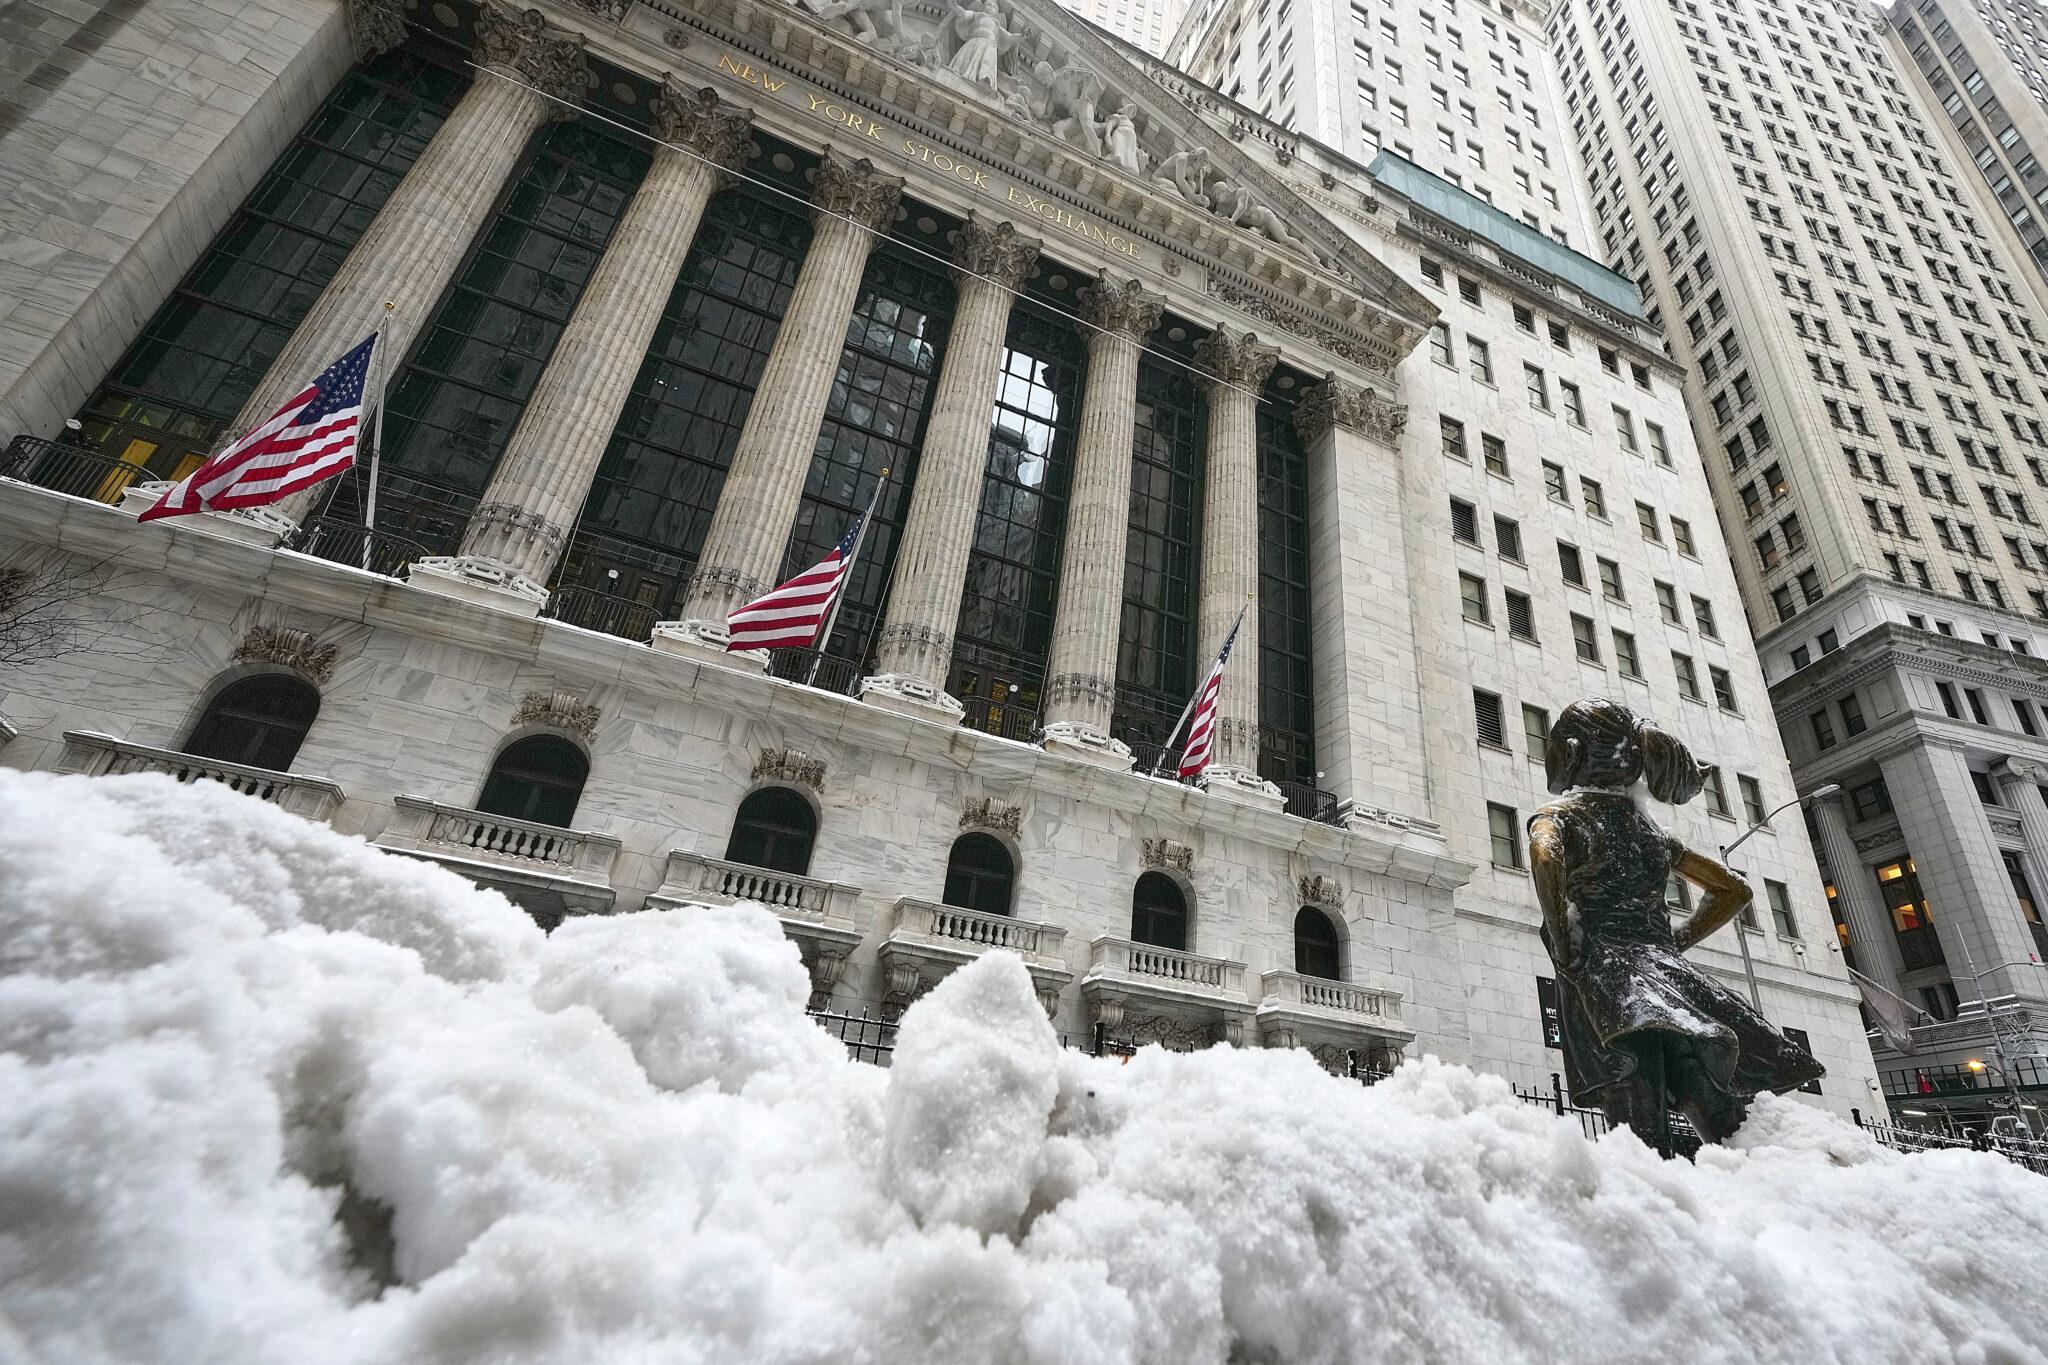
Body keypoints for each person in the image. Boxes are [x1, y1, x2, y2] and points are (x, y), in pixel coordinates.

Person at [1528, 698, 1824, 1155]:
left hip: (1611, 981)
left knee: (1634, 1093)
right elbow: (1734, 890)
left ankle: (1657, 1186)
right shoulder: (1651, 833)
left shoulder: (1562, 817)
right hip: (1667, 975)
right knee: (1698, 1084)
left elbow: (1546, 857)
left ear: (1569, 752)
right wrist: (1674, 943)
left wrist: (1564, 940)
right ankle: (1772, 1172)